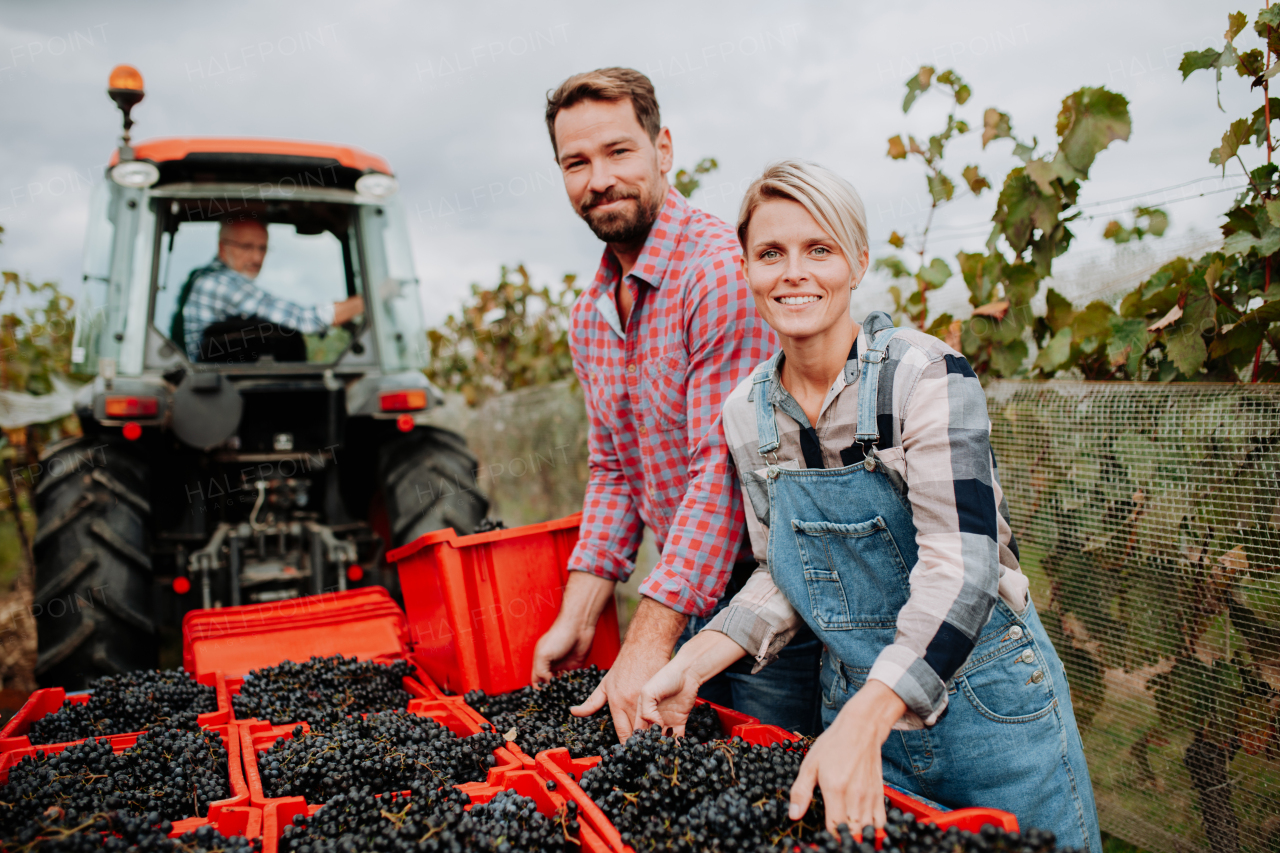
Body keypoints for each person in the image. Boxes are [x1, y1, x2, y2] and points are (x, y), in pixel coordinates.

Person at [634, 160, 1102, 853]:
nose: (794, 272)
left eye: (817, 249)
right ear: (746, 269)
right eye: (770, 253)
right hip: (855, 706)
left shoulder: (926, 376)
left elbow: (962, 566)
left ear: (857, 260)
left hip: (987, 706)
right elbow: (784, 574)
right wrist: (695, 659)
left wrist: (867, 714)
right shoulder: (746, 413)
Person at [529, 68, 823, 738]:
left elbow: (721, 472)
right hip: (688, 594)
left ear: (663, 150)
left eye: (618, 152)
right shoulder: (592, 313)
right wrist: (579, 611)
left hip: (769, 611)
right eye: (576, 162)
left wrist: (646, 640)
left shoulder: (717, 273)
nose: (598, 178)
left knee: (760, 797)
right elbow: (613, 467)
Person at [175, 219, 363, 362]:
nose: (257, 257)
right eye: (247, 247)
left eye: (262, 248)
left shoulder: (210, 279)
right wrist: (367, 301)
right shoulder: (218, 284)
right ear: (222, 248)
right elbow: (306, 320)